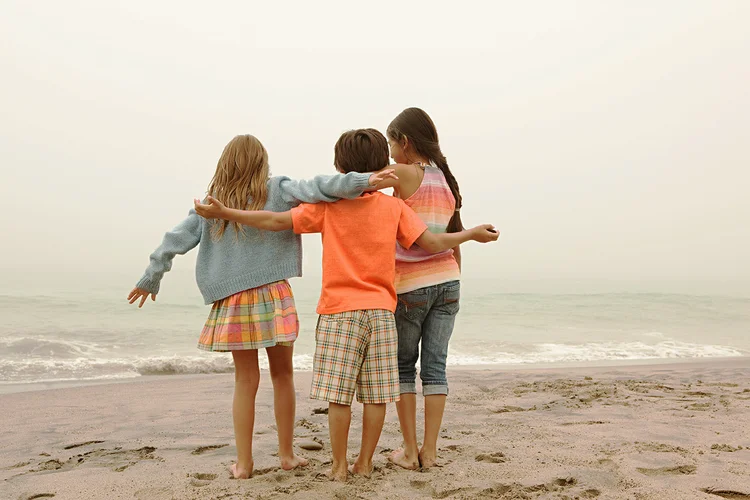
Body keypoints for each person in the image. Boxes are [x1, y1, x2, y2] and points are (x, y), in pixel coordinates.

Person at [193, 128, 499, 481]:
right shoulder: (394, 208)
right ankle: (364, 463)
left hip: (339, 313)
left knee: (339, 397)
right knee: (376, 395)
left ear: (341, 168)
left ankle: (339, 466)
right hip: (382, 314)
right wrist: (471, 234)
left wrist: (229, 213)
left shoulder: (328, 208)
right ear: (381, 166)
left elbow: (275, 221)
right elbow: (431, 242)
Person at [127, 134, 395, 479]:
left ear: (224, 164)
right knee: (282, 376)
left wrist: (152, 275)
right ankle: (286, 455)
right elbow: (323, 186)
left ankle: (244, 464)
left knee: (245, 379)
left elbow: (173, 240)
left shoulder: (212, 204)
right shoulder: (280, 189)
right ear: (262, 162)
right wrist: (366, 180)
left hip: (234, 300)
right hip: (273, 296)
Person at [376, 107, 471, 469]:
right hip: (448, 282)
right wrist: (454, 277)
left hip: (410, 285)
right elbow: (452, 235)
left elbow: (356, 181)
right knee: (435, 369)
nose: (389, 153)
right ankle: (430, 452)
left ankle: (409, 450)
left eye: (390, 143)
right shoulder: (446, 178)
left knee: (403, 368)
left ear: (405, 141)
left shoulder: (401, 173)